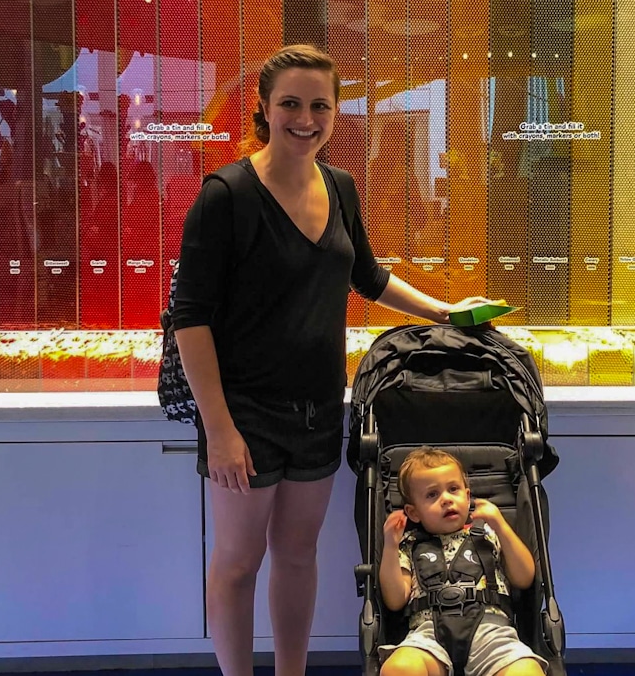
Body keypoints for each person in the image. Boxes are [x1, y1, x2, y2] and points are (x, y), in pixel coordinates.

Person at [170, 44, 491, 676]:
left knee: (297, 553)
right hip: (244, 413)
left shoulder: (339, 186)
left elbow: (367, 276)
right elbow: (192, 318)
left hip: (319, 407)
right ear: (264, 108)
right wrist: (221, 430)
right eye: (290, 103)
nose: (305, 118)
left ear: (337, 110)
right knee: (237, 563)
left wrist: (446, 314)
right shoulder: (225, 196)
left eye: (320, 105)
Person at [379, 447, 547, 676]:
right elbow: (395, 600)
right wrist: (390, 544)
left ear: (467, 496)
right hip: (428, 634)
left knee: (526, 671)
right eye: (432, 495)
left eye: (453, 489)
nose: (446, 499)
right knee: (399, 668)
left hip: (492, 632)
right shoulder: (408, 544)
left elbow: (525, 578)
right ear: (413, 512)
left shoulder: (489, 532)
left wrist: (500, 525)